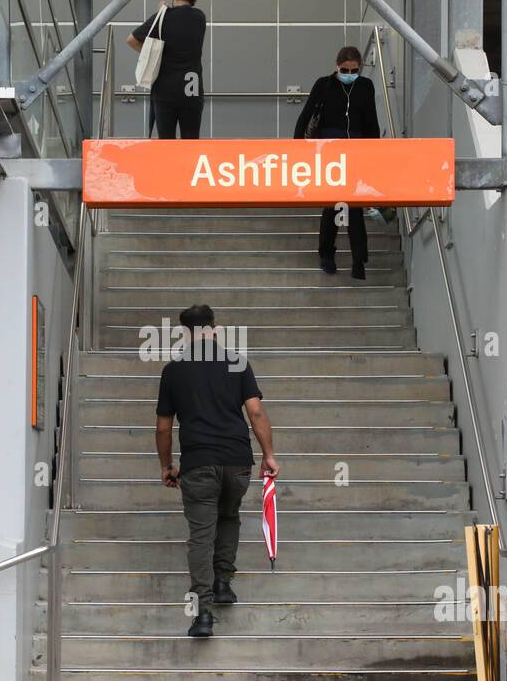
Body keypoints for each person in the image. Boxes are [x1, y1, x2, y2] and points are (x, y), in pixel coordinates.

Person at [155, 305, 279, 637]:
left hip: (198, 464)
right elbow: (256, 412)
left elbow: (164, 428)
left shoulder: (173, 371)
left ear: (183, 334)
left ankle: (203, 615)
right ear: (215, 330)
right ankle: (223, 583)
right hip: (237, 460)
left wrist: (167, 465)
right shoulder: (238, 362)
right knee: (228, 517)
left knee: (200, 537)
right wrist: (268, 454)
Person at [293, 45, 381, 279]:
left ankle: (358, 260)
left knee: (355, 206)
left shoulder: (365, 86)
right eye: (345, 69)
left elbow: (371, 119)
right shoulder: (324, 84)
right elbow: (307, 113)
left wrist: (376, 152)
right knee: (332, 204)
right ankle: (327, 255)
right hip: (329, 151)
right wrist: (296, 145)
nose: (349, 74)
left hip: (356, 151)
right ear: (337, 66)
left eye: (354, 70)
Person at [127, 0, 206, 139]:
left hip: (165, 90)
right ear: (194, 0)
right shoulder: (200, 18)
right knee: (191, 142)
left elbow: (132, 40)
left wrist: (161, 13)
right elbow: (183, 18)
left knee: (166, 143)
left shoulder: (163, 17)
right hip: (192, 89)